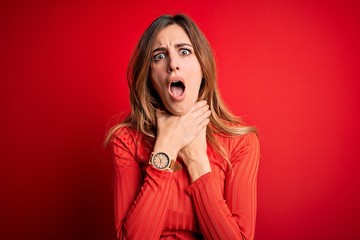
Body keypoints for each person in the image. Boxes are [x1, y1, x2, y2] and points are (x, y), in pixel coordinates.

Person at [105, 14, 260, 240]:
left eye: (184, 51)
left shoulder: (240, 142)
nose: (173, 64)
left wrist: (196, 158)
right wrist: (166, 149)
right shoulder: (126, 140)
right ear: (149, 77)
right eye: (159, 56)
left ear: (202, 67)